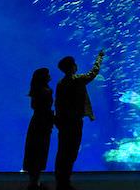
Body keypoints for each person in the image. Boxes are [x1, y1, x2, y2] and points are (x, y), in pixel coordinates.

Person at [54, 50, 105, 190]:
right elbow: (93, 73)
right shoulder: (77, 80)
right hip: (75, 122)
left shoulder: (60, 84)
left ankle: (61, 181)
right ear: (72, 67)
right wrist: (99, 58)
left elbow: (57, 103)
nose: (76, 66)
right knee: (71, 151)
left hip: (63, 123)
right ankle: (65, 182)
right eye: (74, 64)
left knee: (62, 151)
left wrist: (58, 121)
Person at [23, 68, 54, 190]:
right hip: (43, 122)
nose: (49, 76)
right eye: (47, 74)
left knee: (33, 150)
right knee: (40, 150)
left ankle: (33, 182)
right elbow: (44, 107)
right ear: (43, 77)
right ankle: (35, 182)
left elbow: (34, 106)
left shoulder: (36, 90)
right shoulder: (46, 91)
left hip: (36, 121)